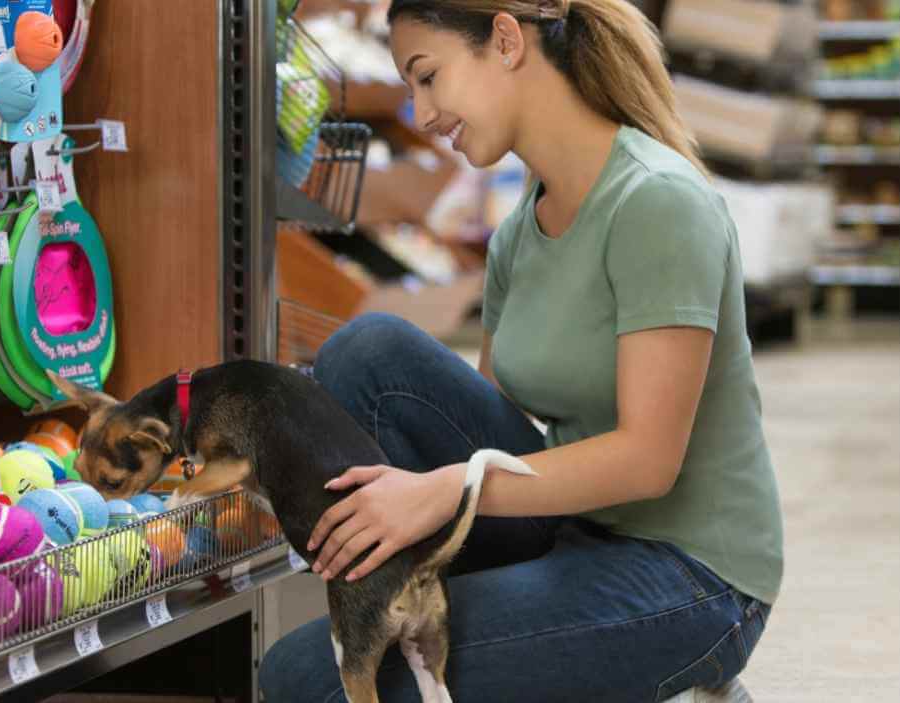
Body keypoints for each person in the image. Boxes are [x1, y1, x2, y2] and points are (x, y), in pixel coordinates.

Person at [259, 0, 783, 701]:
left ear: (506, 40)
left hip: (692, 575)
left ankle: (675, 667)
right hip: (575, 533)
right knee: (367, 354)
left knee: (306, 682)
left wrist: (442, 490)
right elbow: (481, 424)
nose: (421, 113)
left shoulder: (657, 202)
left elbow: (648, 460)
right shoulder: (518, 235)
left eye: (428, 76)